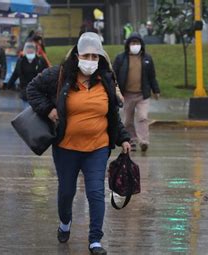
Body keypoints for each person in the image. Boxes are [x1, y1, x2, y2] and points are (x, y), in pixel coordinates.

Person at [27, 32, 131, 255]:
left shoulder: (106, 79)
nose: (91, 61)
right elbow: (32, 90)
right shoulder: (61, 75)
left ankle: (95, 240)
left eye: (95, 56)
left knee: (95, 193)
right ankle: (65, 223)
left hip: (98, 147)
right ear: (76, 55)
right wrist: (49, 109)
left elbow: (112, 113)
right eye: (87, 55)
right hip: (66, 148)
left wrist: (123, 137)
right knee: (66, 192)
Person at [113, 32, 160, 152]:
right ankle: (131, 140)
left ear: (141, 45)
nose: (135, 45)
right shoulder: (121, 58)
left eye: (137, 43)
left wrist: (156, 90)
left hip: (142, 95)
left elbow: (152, 76)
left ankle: (143, 141)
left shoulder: (147, 59)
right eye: (133, 43)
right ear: (128, 44)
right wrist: (114, 90)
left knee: (143, 117)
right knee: (127, 120)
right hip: (126, 95)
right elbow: (113, 75)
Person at [6, 41, 47, 107]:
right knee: (26, 112)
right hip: (25, 91)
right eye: (28, 51)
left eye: (31, 51)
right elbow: (15, 74)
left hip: (37, 91)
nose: (30, 52)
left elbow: (46, 75)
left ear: (35, 51)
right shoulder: (20, 61)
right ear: (25, 51)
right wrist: (8, 85)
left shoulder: (40, 61)